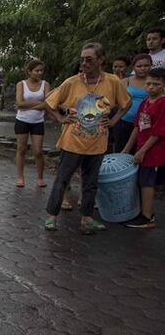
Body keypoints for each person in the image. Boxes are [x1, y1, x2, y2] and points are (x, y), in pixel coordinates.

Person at [43, 42, 131, 233]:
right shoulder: (72, 82)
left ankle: (86, 218)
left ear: (101, 60)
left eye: (89, 59)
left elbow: (126, 104)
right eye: (82, 59)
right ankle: (52, 217)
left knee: (90, 184)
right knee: (62, 179)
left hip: (98, 143)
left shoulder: (113, 81)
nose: (84, 63)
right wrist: (61, 117)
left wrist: (114, 121)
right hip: (72, 141)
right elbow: (49, 102)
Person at [121, 67, 165, 228]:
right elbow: (137, 127)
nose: (151, 87)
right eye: (148, 84)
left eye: (155, 84)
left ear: (163, 85)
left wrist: (142, 151)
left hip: (154, 151)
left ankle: (147, 217)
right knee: (141, 181)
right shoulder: (145, 102)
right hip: (141, 147)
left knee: (147, 183)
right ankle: (142, 212)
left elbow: (158, 133)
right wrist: (127, 149)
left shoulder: (162, 104)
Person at [13, 59, 49, 188]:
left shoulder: (45, 84)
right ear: (29, 71)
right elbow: (19, 102)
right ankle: (20, 177)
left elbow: (47, 103)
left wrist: (27, 105)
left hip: (38, 121)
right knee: (21, 149)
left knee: (38, 151)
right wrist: (38, 104)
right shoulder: (21, 84)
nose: (39, 73)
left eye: (41, 71)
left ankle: (40, 178)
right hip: (22, 120)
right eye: (36, 70)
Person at [112, 53, 151, 152]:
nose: (143, 68)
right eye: (139, 66)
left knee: (140, 151)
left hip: (145, 124)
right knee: (120, 150)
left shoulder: (155, 82)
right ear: (133, 67)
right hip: (124, 121)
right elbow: (115, 101)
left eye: (146, 66)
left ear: (151, 66)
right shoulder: (125, 81)